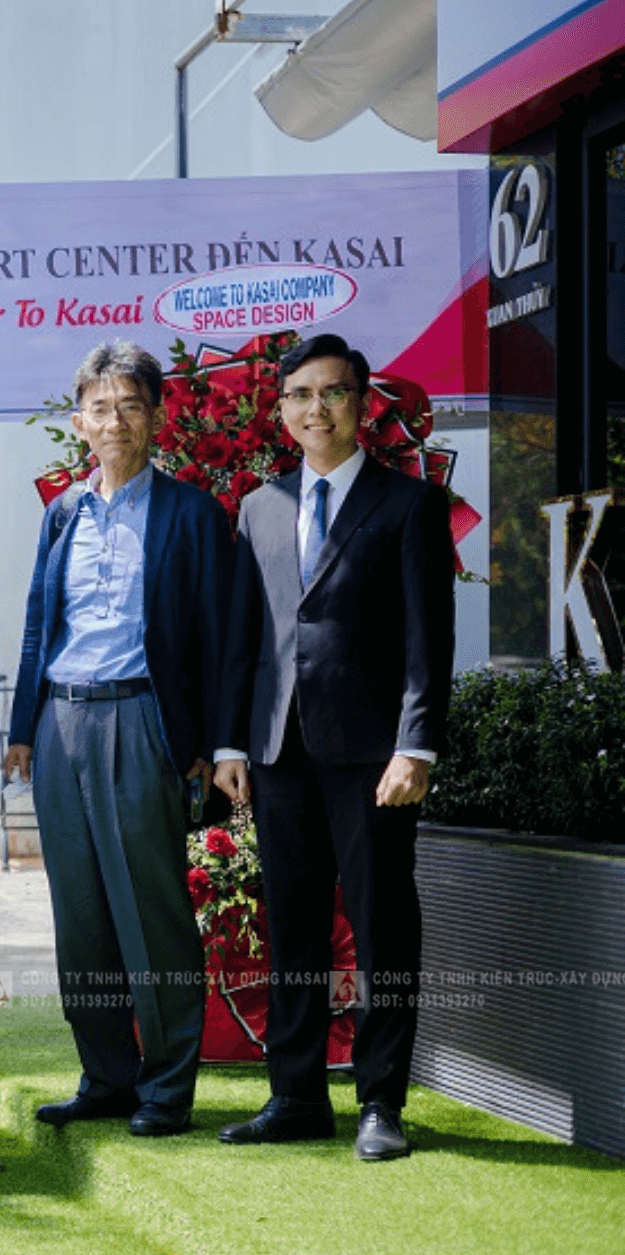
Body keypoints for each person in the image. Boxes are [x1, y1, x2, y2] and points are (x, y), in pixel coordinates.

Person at [213, 332, 455, 1162]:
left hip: (373, 756)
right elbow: (246, 638)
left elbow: (429, 640)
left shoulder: (408, 504)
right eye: (300, 395)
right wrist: (231, 743)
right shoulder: (260, 506)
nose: (316, 408)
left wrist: (416, 745)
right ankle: (295, 1096)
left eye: (333, 392)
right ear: (281, 410)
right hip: (278, 750)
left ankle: (381, 1102)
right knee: (294, 926)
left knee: (383, 925)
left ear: (360, 403)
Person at [2, 341, 232, 1139]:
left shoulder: (192, 514)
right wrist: (22, 728)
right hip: (61, 724)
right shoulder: (62, 514)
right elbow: (39, 623)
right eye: (100, 408)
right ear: (80, 422)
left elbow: (217, 638)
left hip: (142, 721)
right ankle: (106, 1076)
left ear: (156, 416)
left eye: (130, 405)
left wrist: (211, 742)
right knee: (81, 915)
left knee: (151, 910)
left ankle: (167, 1088)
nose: (115, 421)